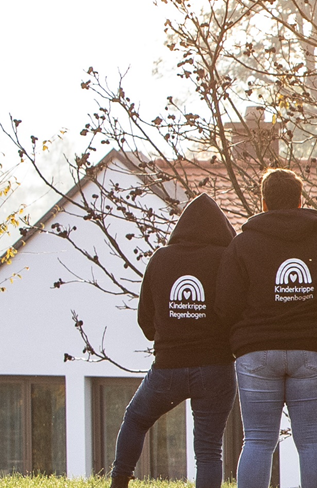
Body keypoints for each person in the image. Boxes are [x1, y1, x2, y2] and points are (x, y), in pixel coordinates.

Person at [217, 169, 317, 488]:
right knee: (313, 441)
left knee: (257, 441)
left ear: (263, 202)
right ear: (301, 201)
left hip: (256, 351)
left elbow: (226, 305)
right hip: (314, 349)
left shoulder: (242, 244)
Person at [109, 195, 238, 488]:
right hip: (215, 368)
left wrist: (166, 337)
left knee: (135, 420)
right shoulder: (225, 259)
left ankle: (119, 482)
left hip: (168, 368)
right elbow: (235, 311)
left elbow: (145, 318)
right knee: (208, 450)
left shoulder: (161, 258)